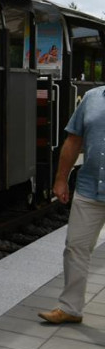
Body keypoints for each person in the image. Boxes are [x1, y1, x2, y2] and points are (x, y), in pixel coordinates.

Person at [39, 85, 105, 324]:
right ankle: (70, 309)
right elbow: (73, 140)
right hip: (89, 189)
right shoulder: (92, 98)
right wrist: (60, 179)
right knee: (75, 247)